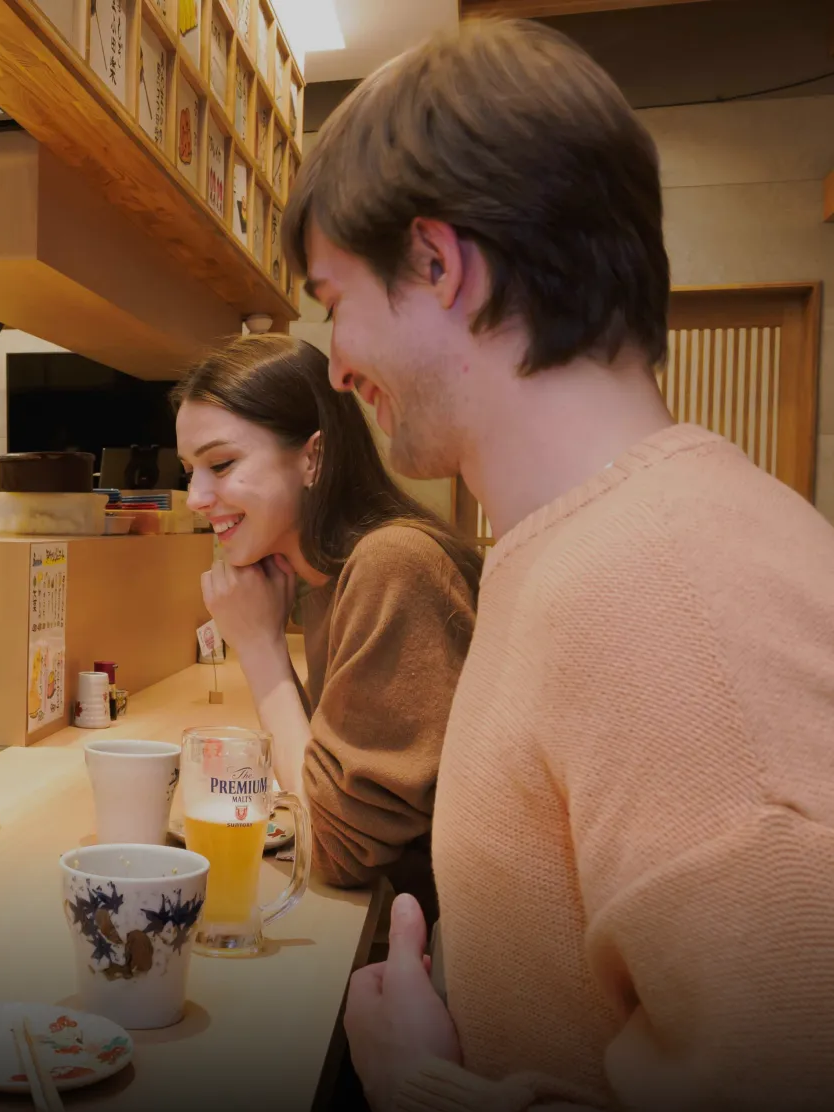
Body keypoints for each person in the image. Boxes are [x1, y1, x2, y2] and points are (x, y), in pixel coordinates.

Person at [284, 19, 834, 1110]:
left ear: (439, 264)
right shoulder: (575, 550)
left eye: (337, 301)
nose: (337, 365)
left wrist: (418, 1081)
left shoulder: (672, 596)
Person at [175, 333, 479, 916]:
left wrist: (261, 646)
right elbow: (323, 779)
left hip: (448, 947)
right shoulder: (320, 581)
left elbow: (338, 849)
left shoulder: (393, 562)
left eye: (221, 464)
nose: (195, 496)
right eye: (190, 470)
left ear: (312, 457)